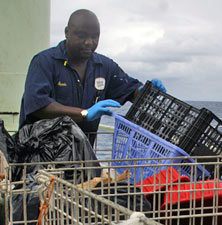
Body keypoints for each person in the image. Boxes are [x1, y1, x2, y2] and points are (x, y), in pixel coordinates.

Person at [19, 9, 166, 146]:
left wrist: (146, 91)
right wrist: (84, 114)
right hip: (39, 152)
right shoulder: (44, 62)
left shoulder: (104, 66)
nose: (89, 42)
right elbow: (38, 106)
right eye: (82, 35)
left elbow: (130, 91)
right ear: (67, 32)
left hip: (81, 155)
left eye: (95, 36)